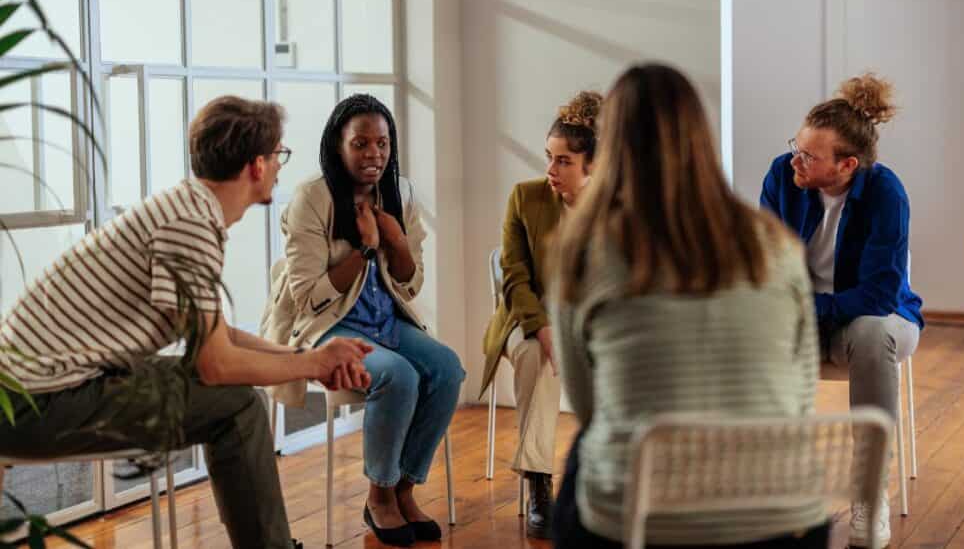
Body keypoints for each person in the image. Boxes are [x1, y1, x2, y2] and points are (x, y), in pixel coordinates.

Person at [0, 96, 373, 549]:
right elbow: (214, 365)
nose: (280, 166)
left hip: (45, 389)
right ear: (257, 164)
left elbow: (219, 335)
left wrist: (307, 355)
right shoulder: (188, 225)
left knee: (233, 396)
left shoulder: (187, 209)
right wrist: (314, 365)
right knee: (235, 402)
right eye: (279, 155)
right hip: (35, 405)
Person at [550, 64, 828, 548]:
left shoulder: (586, 251)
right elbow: (802, 393)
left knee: (582, 458)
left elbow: (588, 406)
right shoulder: (777, 245)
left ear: (609, 146)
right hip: (780, 520)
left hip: (639, 521)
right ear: (701, 136)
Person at [262, 94, 464, 547]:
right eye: (361, 144)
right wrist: (366, 249)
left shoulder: (400, 193)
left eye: (383, 143)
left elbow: (411, 285)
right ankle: (380, 497)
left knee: (448, 368)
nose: (373, 154)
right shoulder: (310, 200)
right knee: (399, 376)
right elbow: (309, 297)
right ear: (338, 145)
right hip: (330, 326)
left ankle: (404, 489)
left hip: (386, 321)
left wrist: (397, 242)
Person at [760, 73, 923, 547]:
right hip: (809, 317)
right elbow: (766, 263)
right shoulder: (782, 177)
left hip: (881, 319)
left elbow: (880, 295)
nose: (796, 159)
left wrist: (811, 307)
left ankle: (870, 499)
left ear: (848, 164)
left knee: (873, 333)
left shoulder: (886, 193)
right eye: (797, 145)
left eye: (810, 155)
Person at [479, 91, 602, 539]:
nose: (550, 170)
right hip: (526, 321)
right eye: (549, 157)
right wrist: (543, 326)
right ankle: (538, 485)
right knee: (537, 354)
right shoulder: (525, 198)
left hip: (591, 327)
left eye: (564, 161)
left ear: (592, 165)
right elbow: (514, 278)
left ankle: (610, 483)